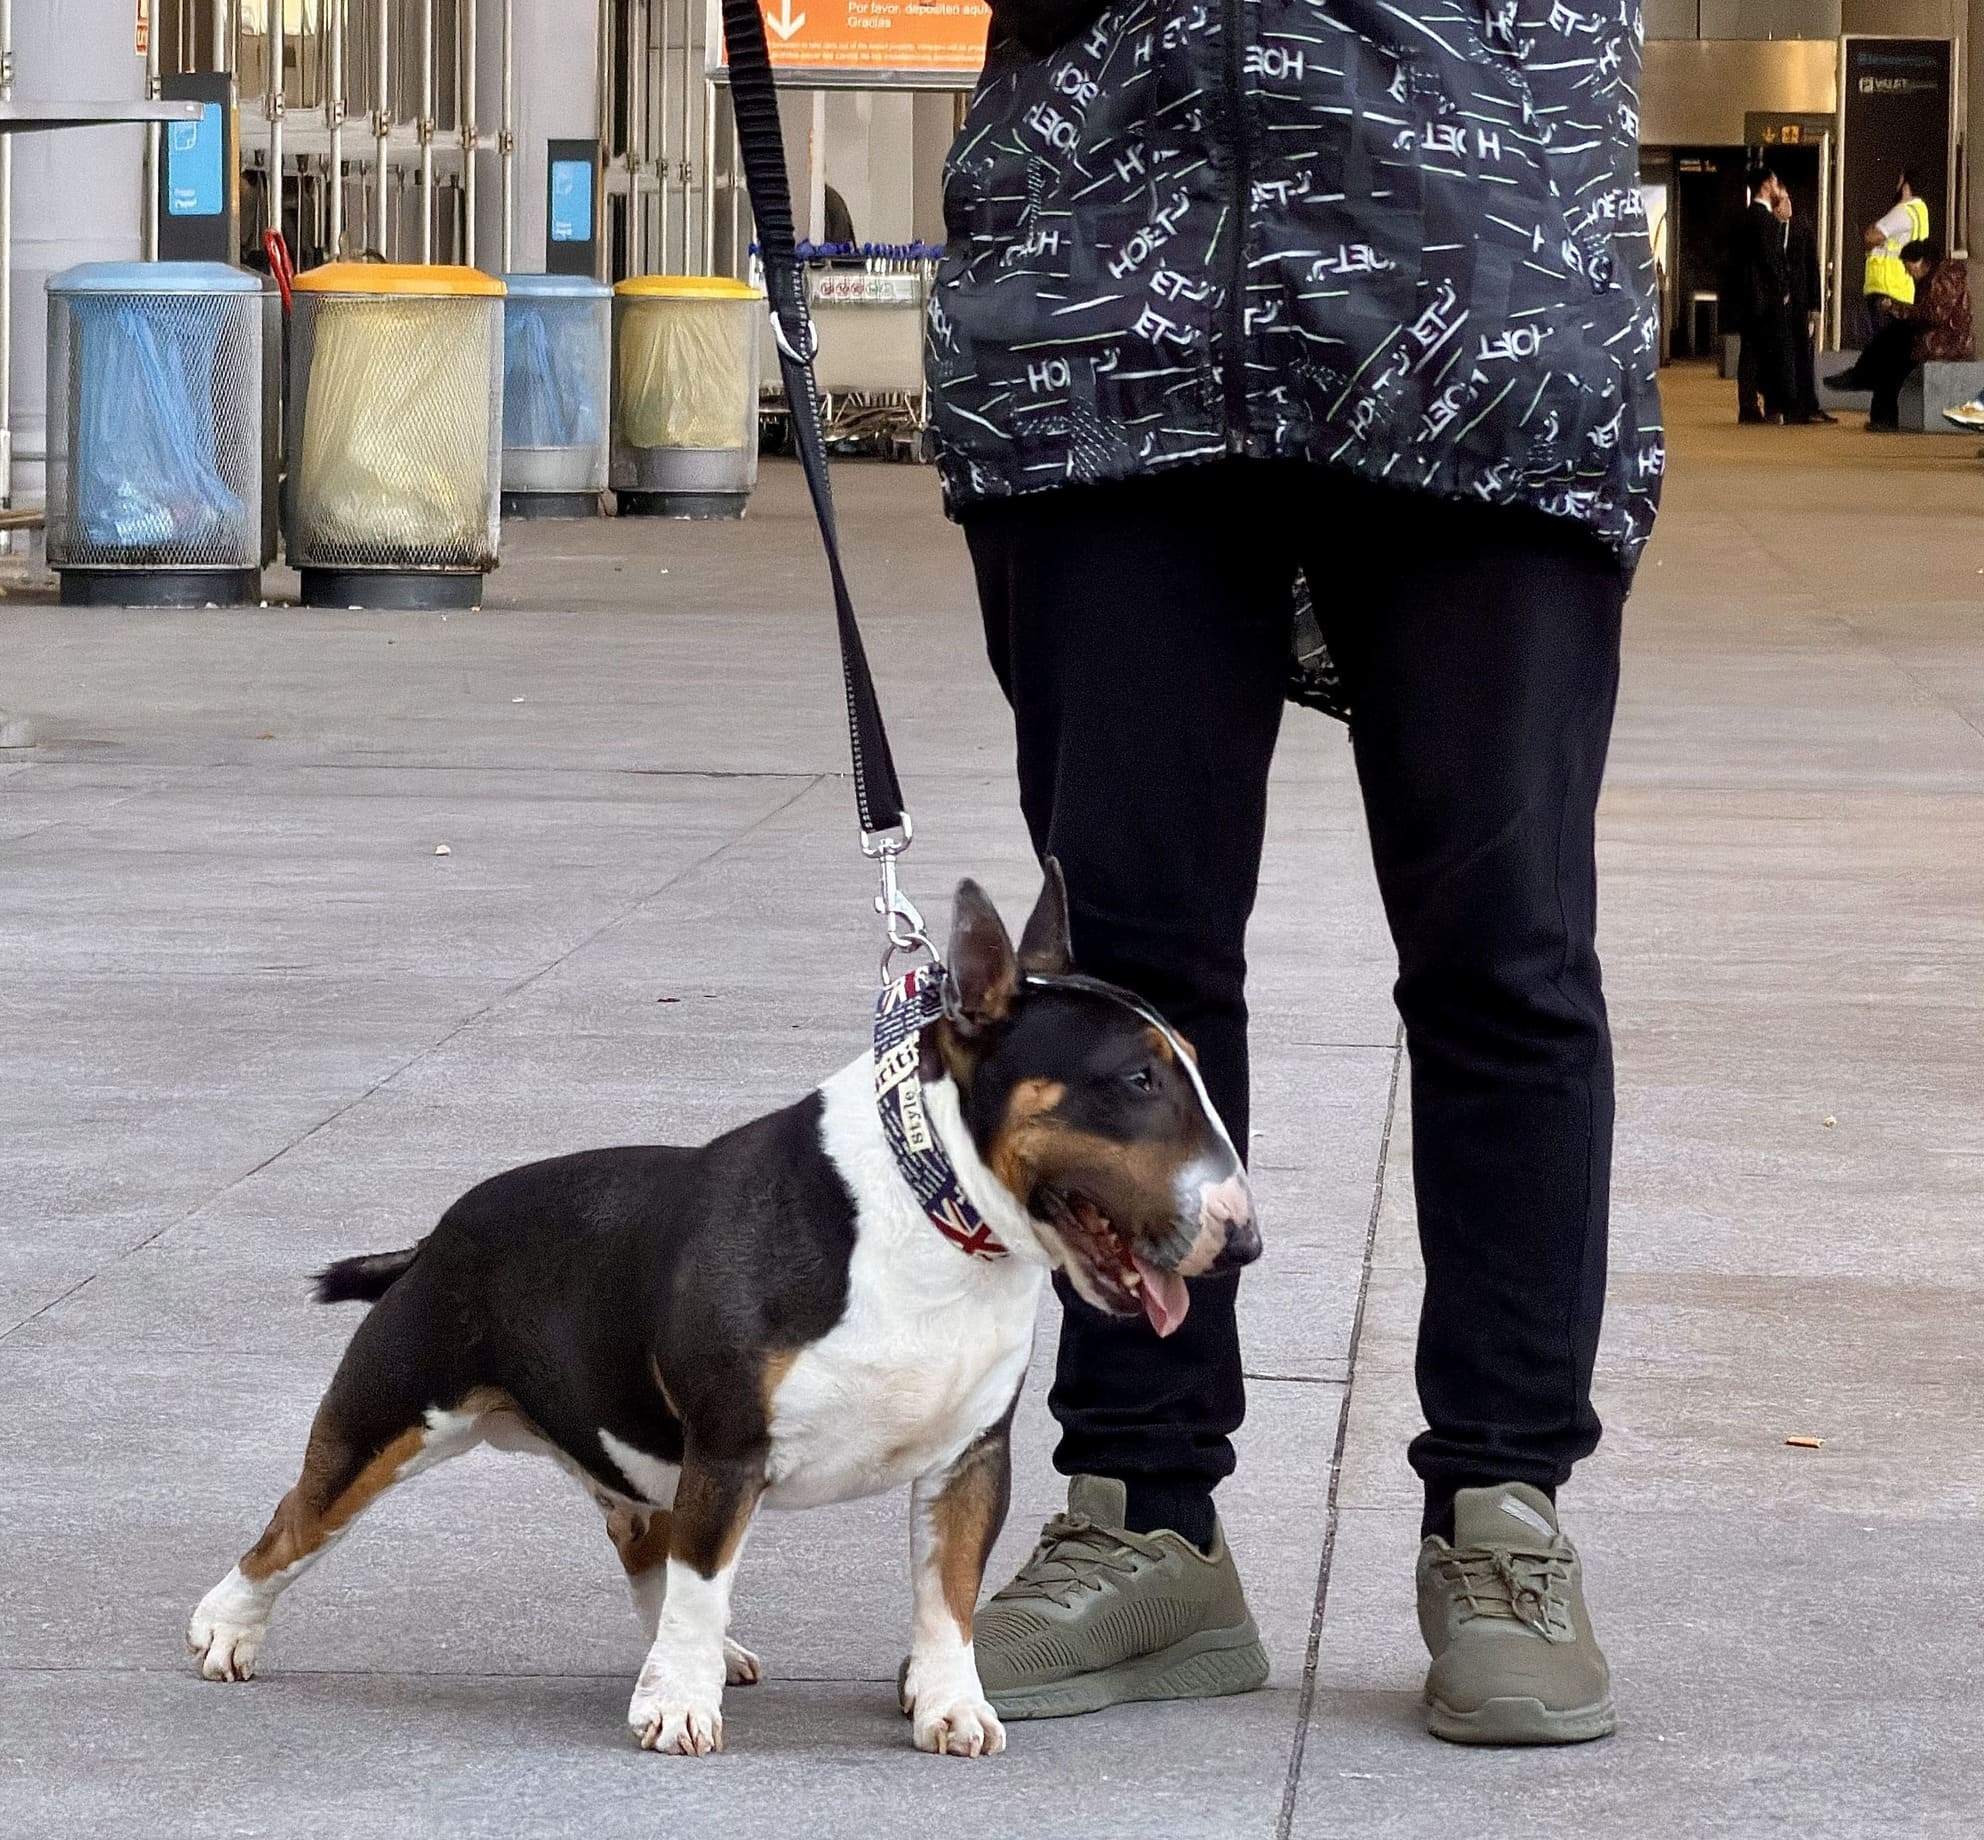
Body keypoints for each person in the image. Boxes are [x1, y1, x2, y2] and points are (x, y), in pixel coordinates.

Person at [928, 0, 1662, 1746]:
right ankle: (1141, 1513)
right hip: (1109, 300)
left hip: (1476, 286)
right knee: (1124, 962)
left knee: (1503, 954)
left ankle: (1500, 1515)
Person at [1837, 241, 1974, 430]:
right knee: (1889, 346)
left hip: (1943, 343)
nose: (1909, 274)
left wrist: (1896, 307)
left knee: (1892, 362)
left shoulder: (1940, 279)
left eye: (1909, 268)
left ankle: (1865, 385)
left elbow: (1933, 315)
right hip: (1938, 338)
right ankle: (1863, 381)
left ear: (1922, 262)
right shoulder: (1936, 277)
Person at [1731, 168, 1795, 424]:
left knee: (1748, 354)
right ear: (1767, 185)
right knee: (1771, 352)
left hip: (1746, 297)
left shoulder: (1743, 218)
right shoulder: (1767, 221)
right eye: (1775, 181)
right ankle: (1772, 405)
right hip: (1766, 299)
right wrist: (1783, 289)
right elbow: (1771, 260)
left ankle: (1747, 406)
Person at [1775, 189, 1833, 424]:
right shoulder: (1771, 231)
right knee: (1784, 354)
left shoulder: (1802, 229)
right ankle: (1788, 404)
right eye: (1782, 201)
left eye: (1789, 199)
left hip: (1800, 303)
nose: (1788, 204)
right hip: (1779, 305)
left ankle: (1807, 404)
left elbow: (1813, 268)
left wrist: (1815, 306)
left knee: (1803, 353)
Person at [1861, 170, 1931, 342]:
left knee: (1880, 348)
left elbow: (1871, 237)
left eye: (1899, 182)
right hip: (1903, 290)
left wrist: (1872, 229)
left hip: (1886, 289)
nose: (1896, 186)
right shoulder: (1921, 213)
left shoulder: (1903, 212)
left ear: (1906, 187)